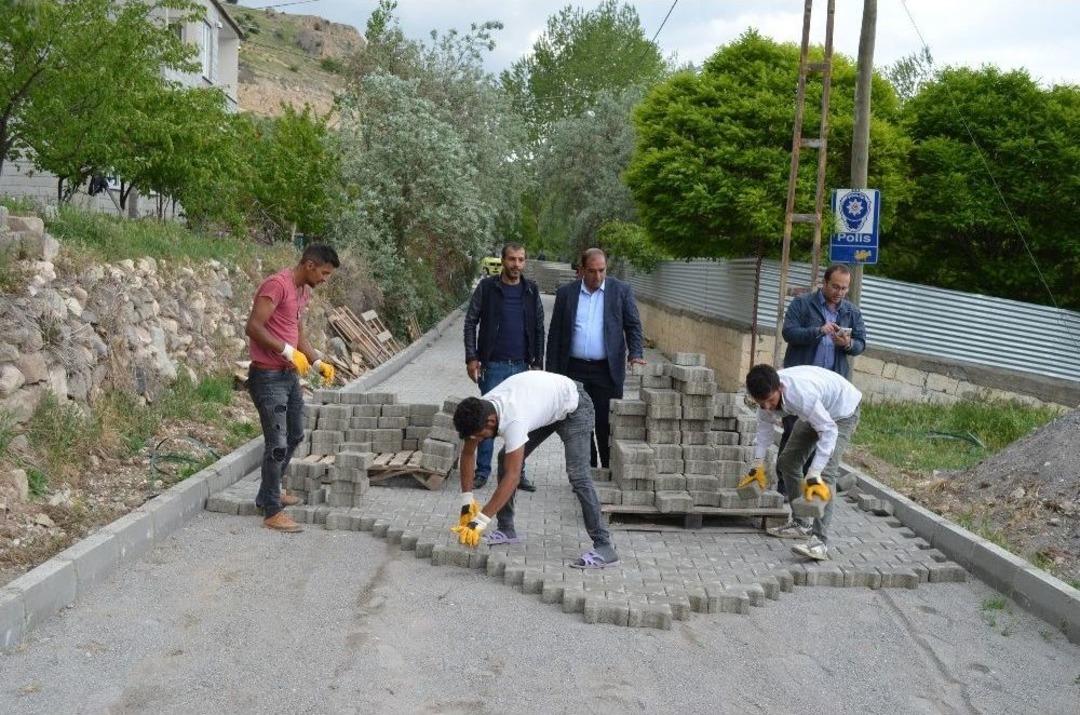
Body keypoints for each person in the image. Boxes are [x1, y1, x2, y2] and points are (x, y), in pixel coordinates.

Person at [451, 371, 619, 569]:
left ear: (491, 421)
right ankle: (506, 529)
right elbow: (469, 453)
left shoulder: (514, 420)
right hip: (546, 406)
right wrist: (466, 501)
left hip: (575, 406)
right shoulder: (479, 409)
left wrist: (479, 521)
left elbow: (513, 477)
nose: (478, 440)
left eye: (480, 436)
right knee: (504, 458)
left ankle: (605, 546)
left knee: (578, 475)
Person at [244, 244, 340, 533]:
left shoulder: (302, 291)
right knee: (278, 444)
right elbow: (253, 327)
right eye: (324, 272)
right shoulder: (277, 285)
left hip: (288, 377)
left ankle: (267, 493)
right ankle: (272, 510)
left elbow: (296, 333)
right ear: (309, 265)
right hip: (267, 377)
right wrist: (287, 351)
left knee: (296, 433)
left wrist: (316, 360)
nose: (325, 279)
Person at [743, 364, 862, 561]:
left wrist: (814, 471)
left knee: (825, 475)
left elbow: (829, 431)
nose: (768, 408)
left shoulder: (801, 395)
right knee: (788, 461)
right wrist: (757, 464)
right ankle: (801, 523)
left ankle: (820, 542)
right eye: (761, 404)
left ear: (780, 388)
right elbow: (764, 431)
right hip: (817, 409)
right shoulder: (765, 396)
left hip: (842, 412)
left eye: (770, 401)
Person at [546, 248, 645, 468]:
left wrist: (636, 354)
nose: (597, 276)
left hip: (607, 371)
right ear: (581, 270)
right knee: (580, 424)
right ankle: (586, 472)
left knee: (606, 422)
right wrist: (551, 374)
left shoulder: (621, 291)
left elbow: (633, 326)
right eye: (592, 271)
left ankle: (609, 469)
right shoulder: (566, 294)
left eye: (602, 270)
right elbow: (555, 335)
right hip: (574, 371)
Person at [776, 264, 868, 492]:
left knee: (821, 436)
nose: (839, 292)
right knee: (793, 434)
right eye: (835, 286)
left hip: (830, 391)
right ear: (824, 283)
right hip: (800, 386)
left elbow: (861, 344)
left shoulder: (851, 311)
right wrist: (818, 331)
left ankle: (809, 483)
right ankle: (784, 487)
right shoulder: (802, 304)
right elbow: (789, 332)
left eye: (844, 288)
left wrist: (847, 344)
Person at [463, 243, 545, 491]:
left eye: (521, 260)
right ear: (503, 260)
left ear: (525, 262)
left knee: (522, 421)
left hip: (522, 367)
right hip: (494, 366)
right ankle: (482, 472)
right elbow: (470, 322)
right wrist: (471, 357)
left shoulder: (531, 290)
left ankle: (518, 472)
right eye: (512, 259)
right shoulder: (488, 288)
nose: (516, 265)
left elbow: (540, 327)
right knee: (486, 419)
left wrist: (538, 363)